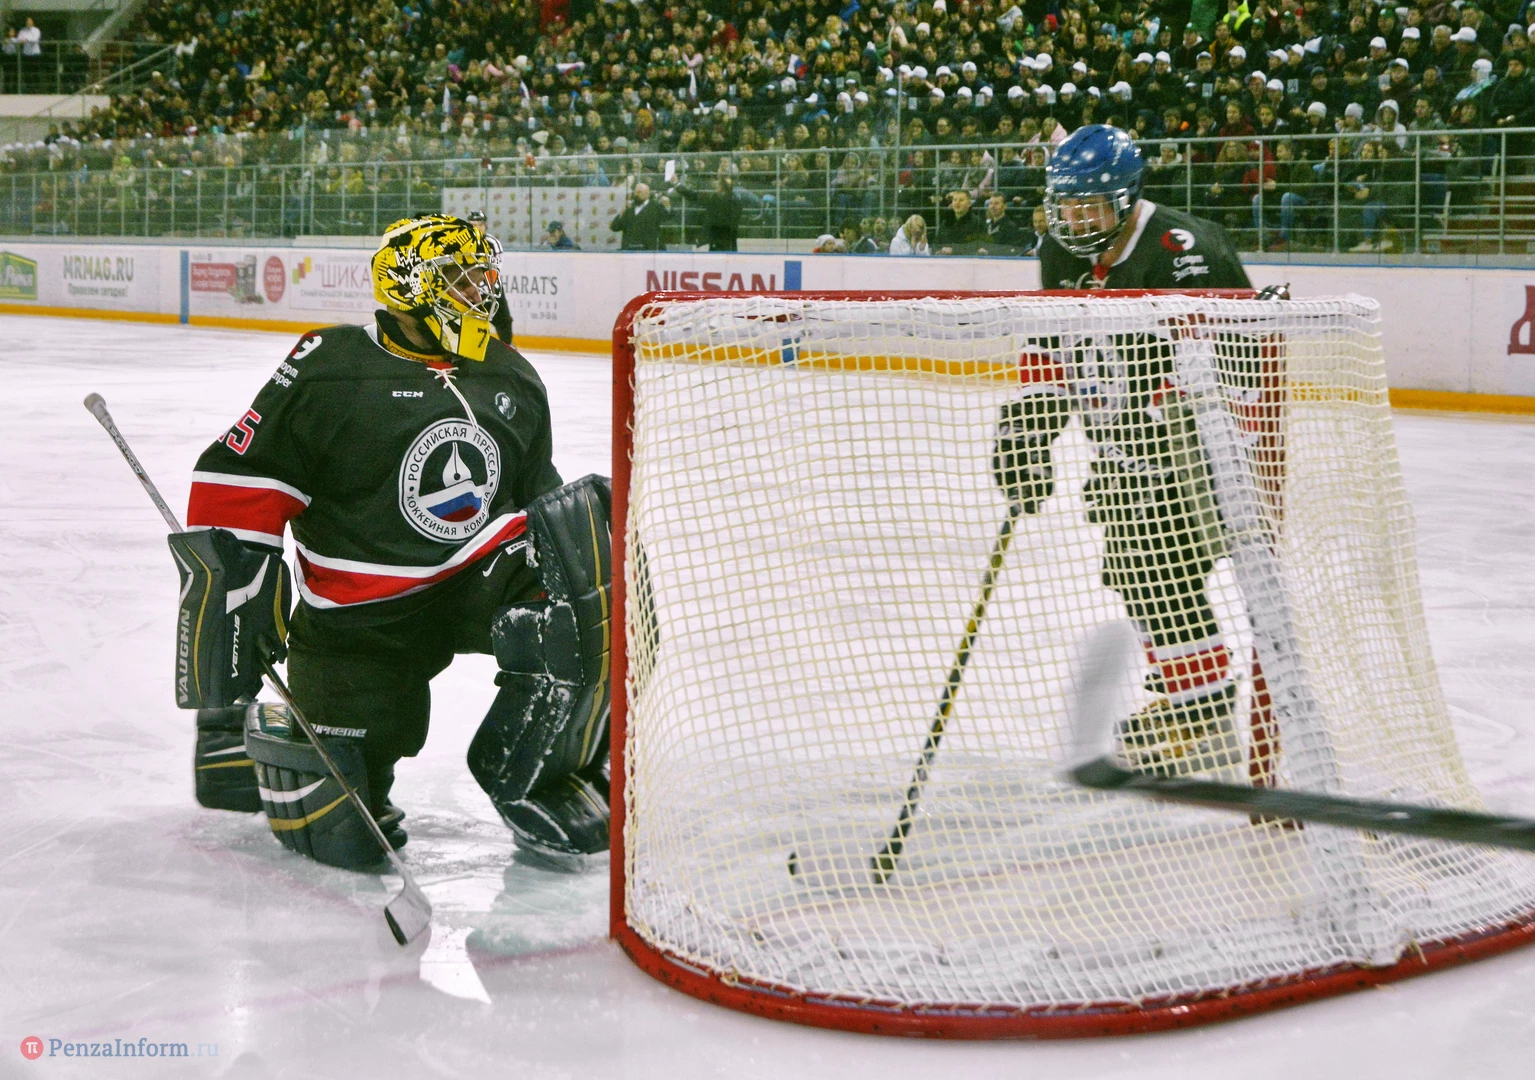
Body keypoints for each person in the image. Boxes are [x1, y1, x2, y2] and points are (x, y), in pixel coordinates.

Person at [178, 215, 612, 870]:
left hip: (475, 579)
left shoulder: (507, 373)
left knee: (583, 568)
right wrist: (234, 612)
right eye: (459, 278)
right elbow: (239, 482)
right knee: (342, 830)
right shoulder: (329, 368)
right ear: (405, 287)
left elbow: (538, 501)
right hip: (362, 615)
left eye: (483, 275)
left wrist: (584, 567)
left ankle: (538, 775)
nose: (480, 291)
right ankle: (243, 733)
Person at [1011, 124, 1255, 778]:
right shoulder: (1058, 251)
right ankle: (1190, 699)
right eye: (1066, 208)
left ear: (1126, 199)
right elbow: (1051, 347)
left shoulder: (1184, 248)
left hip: (1194, 447)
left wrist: (1201, 415)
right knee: (1135, 573)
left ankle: (1201, 715)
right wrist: (1026, 433)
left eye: (1090, 208)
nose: (1075, 223)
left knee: (1161, 570)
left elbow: (1244, 346)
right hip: (1119, 445)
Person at [466, 210, 513, 343]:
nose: (477, 228)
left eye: (480, 225)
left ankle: (507, 347)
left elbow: (494, 270)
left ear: (485, 225)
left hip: (492, 291)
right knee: (467, 323)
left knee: (504, 321)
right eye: (473, 225)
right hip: (469, 292)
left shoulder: (492, 243)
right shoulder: (461, 243)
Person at [668, 174, 743, 251]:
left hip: (722, 240)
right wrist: (677, 184)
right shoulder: (715, 198)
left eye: (718, 181)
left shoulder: (725, 200)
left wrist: (676, 183)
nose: (715, 183)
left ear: (721, 186)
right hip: (718, 240)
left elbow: (692, 195)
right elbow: (692, 195)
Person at [610, 181, 670, 250]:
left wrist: (667, 206)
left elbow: (668, 217)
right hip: (629, 249)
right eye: (635, 192)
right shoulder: (629, 208)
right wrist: (621, 213)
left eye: (639, 192)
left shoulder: (655, 206)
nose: (636, 194)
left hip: (648, 249)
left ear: (647, 194)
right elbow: (614, 227)